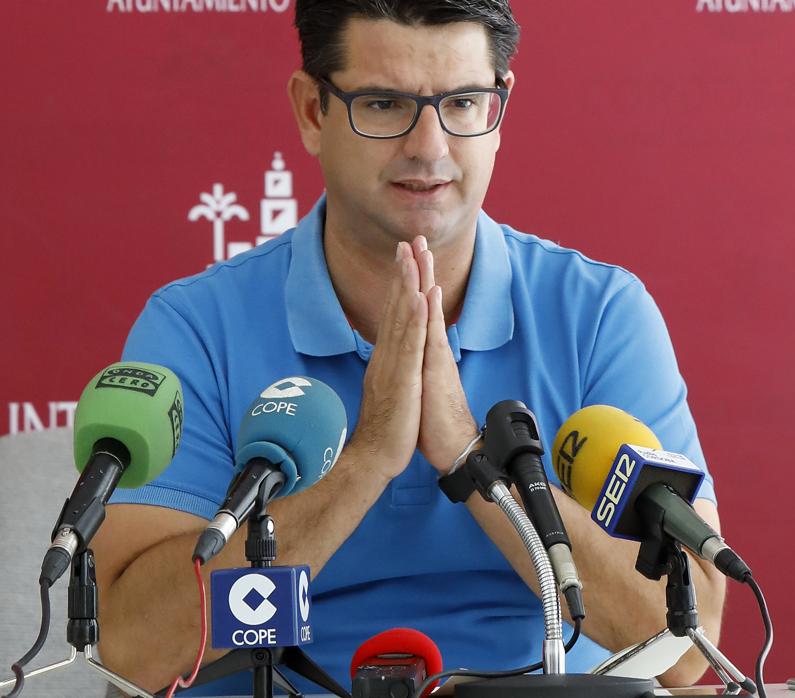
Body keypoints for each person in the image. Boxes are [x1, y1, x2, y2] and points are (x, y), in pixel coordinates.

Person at [92, 1, 725, 694]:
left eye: (462, 102)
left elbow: (684, 649)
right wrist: (364, 464)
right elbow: (130, 649)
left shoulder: (599, 314)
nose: (430, 147)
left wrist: (468, 457)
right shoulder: (197, 326)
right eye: (385, 103)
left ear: (500, 108)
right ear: (312, 111)